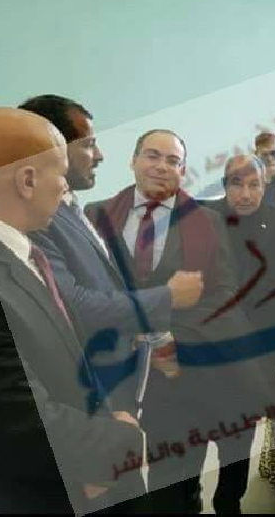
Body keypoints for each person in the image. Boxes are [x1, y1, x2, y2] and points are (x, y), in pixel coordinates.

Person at [0, 107, 143, 514]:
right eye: (62, 174)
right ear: (27, 180)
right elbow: (14, 418)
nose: (66, 187)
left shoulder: (19, 251)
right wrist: (119, 441)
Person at [22, 96, 203, 451]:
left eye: (173, 160)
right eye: (89, 144)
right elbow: (74, 305)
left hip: (148, 376)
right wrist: (167, 297)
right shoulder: (50, 215)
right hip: (93, 391)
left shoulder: (73, 207)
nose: (100, 155)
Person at [84, 130, 237, 514]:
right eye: (153, 155)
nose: (162, 166)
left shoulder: (208, 222)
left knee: (176, 480)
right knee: (115, 479)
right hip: (109, 371)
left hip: (178, 371)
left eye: (173, 161)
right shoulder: (96, 215)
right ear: (133, 160)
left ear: (183, 170)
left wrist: (170, 336)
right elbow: (83, 291)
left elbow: (223, 295)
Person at [201, 154, 275, 510]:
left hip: (256, 357)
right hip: (206, 353)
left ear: (265, 185)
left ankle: (229, 502)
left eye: (253, 185)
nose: (245, 194)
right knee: (194, 439)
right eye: (236, 184)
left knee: (238, 440)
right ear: (224, 185)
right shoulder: (202, 219)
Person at [255, 132, 275, 207]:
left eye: (273, 153)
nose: (269, 159)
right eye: (264, 155)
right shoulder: (250, 184)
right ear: (256, 155)